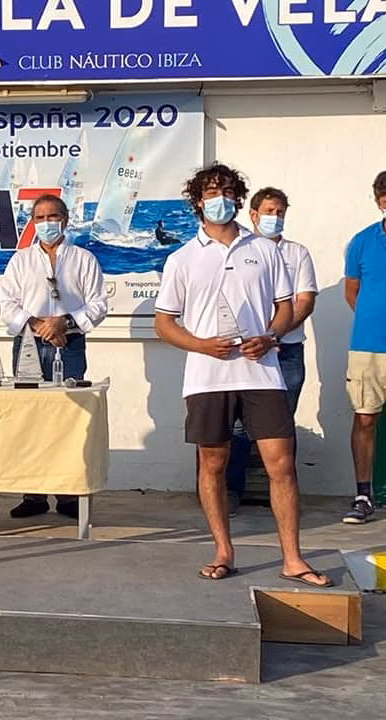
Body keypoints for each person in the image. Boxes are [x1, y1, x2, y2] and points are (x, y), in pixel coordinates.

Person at [154, 162, 331, 587]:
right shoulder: (182, 257)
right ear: (198, 201)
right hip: (206, 377)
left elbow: (285, 308)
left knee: (280, 464)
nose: (222, 200)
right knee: (212, 464)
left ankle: (292, 558)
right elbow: (164, 322)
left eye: (229, 192)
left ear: (238, 199)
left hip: (261, 374)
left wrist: (270, 336)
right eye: (213, 192)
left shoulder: (267, 250)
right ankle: (223, 551)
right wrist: (200, 345)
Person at [0, 194, 108, 518]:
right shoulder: (20, 260)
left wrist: (65, 322)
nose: (47, 223)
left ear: (66, 219)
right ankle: (33, 495)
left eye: (53, 216)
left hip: (70, 345)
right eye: (40, 218)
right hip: (28, 345)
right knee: (29, 419)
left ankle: (69, 495)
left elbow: (98, 304)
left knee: (68, 419)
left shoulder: (83, 259)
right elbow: (6, 303)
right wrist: (38, 325)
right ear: (32, 223)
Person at [223, 188, 317, 514]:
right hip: (245, 352)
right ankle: (231, 492)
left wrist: (274, 332)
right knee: (236, 427)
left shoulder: (297, 253)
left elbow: (303, 301)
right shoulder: (240, 250)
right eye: (268, 210)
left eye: (279, 212)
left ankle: (280, 495)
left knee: (280, 425)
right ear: (252, 213)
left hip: (286, 352)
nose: (274, 217)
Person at [342, 169, 386, 524]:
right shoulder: (361, 241)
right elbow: (352, 291)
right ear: (378, 204)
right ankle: (364, 495)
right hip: (368, 346)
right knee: (365, 418)